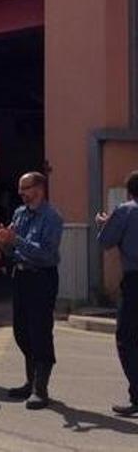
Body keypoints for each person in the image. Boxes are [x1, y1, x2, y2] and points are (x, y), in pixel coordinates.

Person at [0, 172, 63, 410]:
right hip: (21, 276)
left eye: (25, 188)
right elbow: (12, 250)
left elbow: (46, 254)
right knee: (21, 332)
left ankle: (40, 390)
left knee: (40, 331)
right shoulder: (20, 214)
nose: (20, 193)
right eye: (20, 188)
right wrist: (3, 240)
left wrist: (16, 240)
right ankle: (30, 382)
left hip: (41, 278)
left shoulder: (52, 217)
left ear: (39, 189)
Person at [96, 170, 138, 416]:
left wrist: (104, 224)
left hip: (135, 282)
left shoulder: (126, 210)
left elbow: (106, 242)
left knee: (127, 338)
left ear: (129, 191)